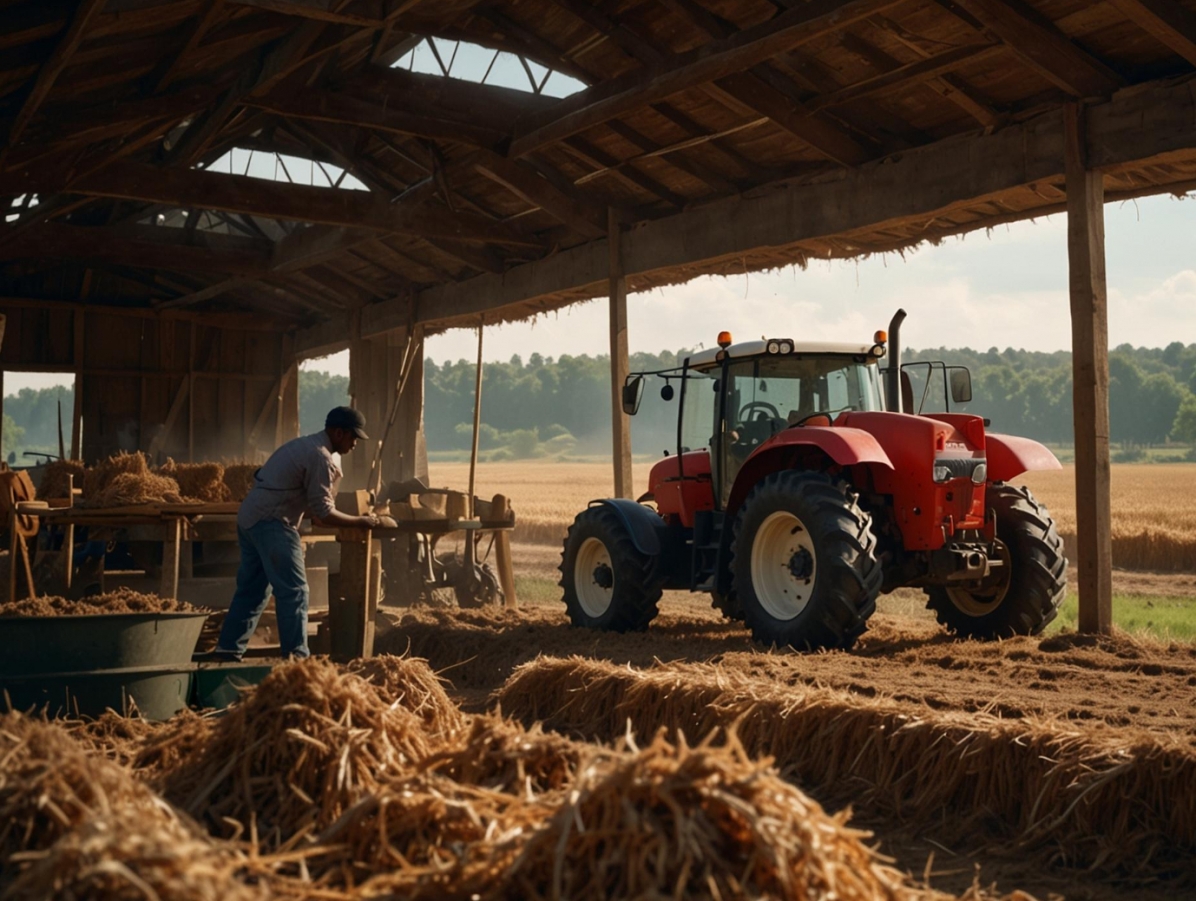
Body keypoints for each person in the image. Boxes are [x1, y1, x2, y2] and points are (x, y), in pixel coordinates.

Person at [212, 406, 379, 661]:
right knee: (295, 591)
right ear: (337, 433)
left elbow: (316, 514)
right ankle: (296, 658)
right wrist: (360, 521)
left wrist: (347, 520)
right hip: (272, 521)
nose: (355, 443)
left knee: (253, 590)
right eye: (353, 437)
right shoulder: (321, 457)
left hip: (249, 518)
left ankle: (227, 651)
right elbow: (323, 512)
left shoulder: (305, 446)